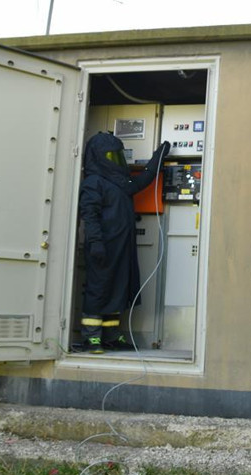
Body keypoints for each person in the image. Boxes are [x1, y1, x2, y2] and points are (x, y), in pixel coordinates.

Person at [79, 132, 170, 354]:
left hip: (121, 246)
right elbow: (89, 214)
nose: (116, 160)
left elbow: (139, 183)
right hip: (103, 246)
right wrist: (95, 242)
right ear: (99, 157)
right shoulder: (94, 182)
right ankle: (92, 338)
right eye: (111, 155)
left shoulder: (119, 181)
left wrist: (156, 159)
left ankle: (110, 336)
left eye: (117, 155)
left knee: (117, 289)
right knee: (99, 289)